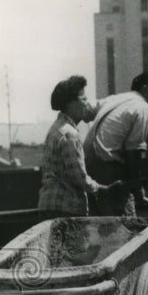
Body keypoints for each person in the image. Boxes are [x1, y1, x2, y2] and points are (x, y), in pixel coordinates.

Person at [83, 70, 148, 215]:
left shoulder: (115, 99)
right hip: (109, 171)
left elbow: (86, 110)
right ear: (145, 89)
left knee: (98, 224)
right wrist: (137, 187)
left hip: (88, 168)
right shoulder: (144, 108)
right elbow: (134, 152)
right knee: (125, 225)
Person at [38, 75, 110, 217]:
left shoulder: (56, 128)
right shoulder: (70, 134)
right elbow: (79, 178)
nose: (86, 104)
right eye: (83, 99)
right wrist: (101, 189)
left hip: (50, 205)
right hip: (65, 209)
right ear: (70, 103)